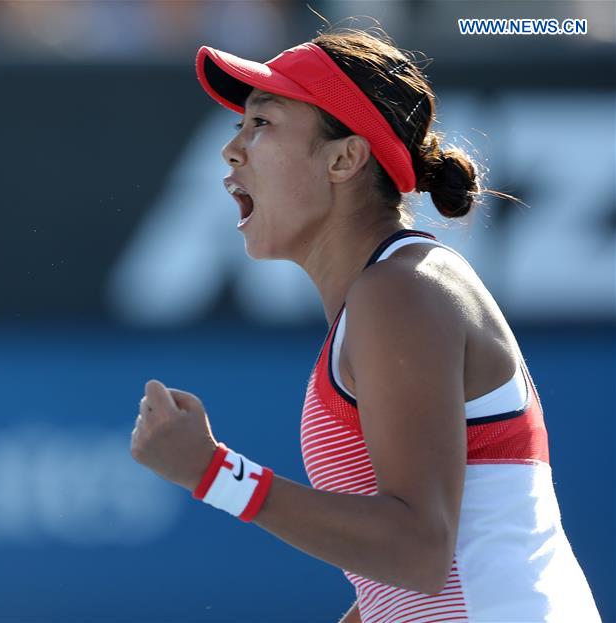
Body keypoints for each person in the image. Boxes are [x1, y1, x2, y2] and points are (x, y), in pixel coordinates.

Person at [129, 25, 603, 623]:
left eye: (263, 123)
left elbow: (418, 550)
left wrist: (215, 473)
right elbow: (420, 572)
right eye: (238, 126)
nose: (233, 149)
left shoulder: (400, 291)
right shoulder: (392, 291)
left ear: (345, 158)